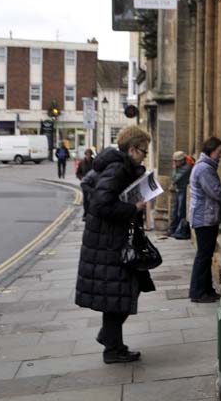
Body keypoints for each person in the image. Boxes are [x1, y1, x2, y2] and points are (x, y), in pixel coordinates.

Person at [75, 125, 155, 364]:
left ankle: (112, 341)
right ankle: (111, 347)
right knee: (120, 294)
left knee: (121, 293)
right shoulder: (118, 168)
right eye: (143, 151)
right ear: (132, 149)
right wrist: (134, 208)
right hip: (109, 242)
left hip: (110, 240)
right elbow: (101, 205)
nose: (144, 155)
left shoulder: (120, 167)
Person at [188, 137, 221, 303]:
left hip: (205, 217)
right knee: (203, 256)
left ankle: (207, 290)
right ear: (211, 151)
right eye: (219, 152)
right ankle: (197, 292)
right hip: (204, 218)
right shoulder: (204, 169)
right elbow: (217, 192)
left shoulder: (205, 166)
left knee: (206, 255)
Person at [167, 151, 192, 239]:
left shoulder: (187, 168)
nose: (174, 163)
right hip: (179, 190)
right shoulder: (180, 167)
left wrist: (174, 168)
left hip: (184, 191)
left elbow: (175, 178)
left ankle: (181, 231)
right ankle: (172, 229)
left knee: (181, 212)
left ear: (182, 160)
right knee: (175, 211)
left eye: (176, 161)